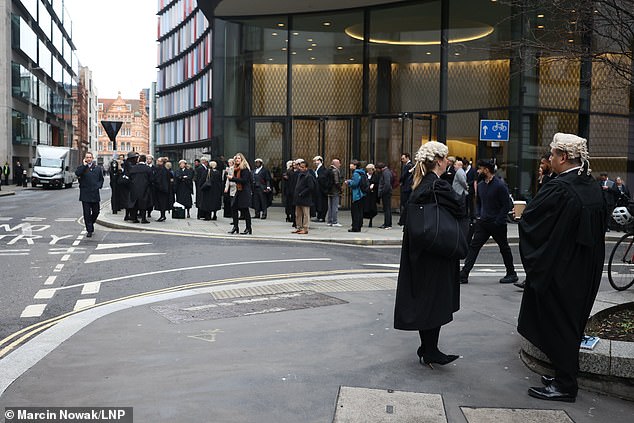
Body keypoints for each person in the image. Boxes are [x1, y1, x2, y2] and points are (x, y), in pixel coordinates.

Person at [518, 133, 606, 403]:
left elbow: (532, 221)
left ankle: (566, 385)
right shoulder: (589, 185)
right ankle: (562, 373)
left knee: (561, 324)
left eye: (553, 154)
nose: (550, 158)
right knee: (571, 323)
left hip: (562, 270)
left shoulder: (561, 189)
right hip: (585, 269)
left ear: (564, 157)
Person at [394, 141, 463, 368]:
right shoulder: (438, 186)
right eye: (446, 159)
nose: (448, 162)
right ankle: (431, 350)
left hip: (420, 253)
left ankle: (427, 348)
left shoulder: (420, 185)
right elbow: (461, 208)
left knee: (426, 301)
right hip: (436, 253)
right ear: (440, 161)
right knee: (436, 301)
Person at [459, 159, 518, 285]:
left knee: (504, 248)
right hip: (484, 222)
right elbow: (479, 202)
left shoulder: (499, 185)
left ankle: (512, 273)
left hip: (497, 224)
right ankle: (464, 274)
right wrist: (479, 215)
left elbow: (506, 205)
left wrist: (499, 220)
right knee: (474, 247)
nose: (478, 171)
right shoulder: (481, 185)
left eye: (480, 169)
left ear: (486, 170)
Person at [75, 152, 104, 238]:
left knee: (96, 211)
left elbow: (101, 179)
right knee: (86, 213)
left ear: (92, 158)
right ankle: (89, 230)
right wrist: (84, 166)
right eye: (87, 157)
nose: (89, 159)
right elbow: (77, 173)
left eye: (90, 157)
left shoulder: (97, 168)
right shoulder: (82, 168)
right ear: (85, 159)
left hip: (95, 194)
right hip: (85, 194)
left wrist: (98, 186)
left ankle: (91, 222)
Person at [226, 153, 253, 235]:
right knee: (233, 207)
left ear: (242, 160)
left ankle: (248, 228)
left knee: (245, 210)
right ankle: (235, 227)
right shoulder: (236, 169)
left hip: (244, 191)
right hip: (239, 191)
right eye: (236, 158)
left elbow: (244, 180)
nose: (237, 160)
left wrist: (232, 178)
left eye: (239, 158)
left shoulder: (245, 169)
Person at [127, 154, 153, 224]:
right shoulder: (148, 168)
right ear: (145, 160)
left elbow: (129, 178)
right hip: (144, 188)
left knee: (134, 203)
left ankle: (134, 218)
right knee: (144, 203)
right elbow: (151, 179)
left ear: (139, 160)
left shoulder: (133, 168)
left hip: (134, 188)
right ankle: (143, 219)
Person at [293, 159, 316, 234]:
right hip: (298, 198)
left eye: (303, 167)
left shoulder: (308, 176)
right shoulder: (300, 175)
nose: (301, 168)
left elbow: (311, 187)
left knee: (306, 214)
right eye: (300, 167)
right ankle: (299, 227)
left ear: (306, 168)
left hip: (305, 198)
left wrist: (302, 193)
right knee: (298, 214)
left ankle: (305, 228)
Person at [344, 159, 367, 232]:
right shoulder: (362, 172)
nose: (350, 165)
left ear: (355, 166)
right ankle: (359, 225)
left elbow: (355, 184)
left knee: (355, 212)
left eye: (352, 164)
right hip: (361, 194)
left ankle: (355, 227)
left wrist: (348, 182)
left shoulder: (356, 173)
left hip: (357, 195)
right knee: (359, 211)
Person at [153, 157, 171, 222]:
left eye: (158, 161)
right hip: (162, 189)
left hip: (161, 189)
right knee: (162, 203)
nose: (157, 162)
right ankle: (162, 215)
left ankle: (162, 216)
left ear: (161, 162)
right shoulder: (163, 169)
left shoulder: (161, 170)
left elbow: (161, 180)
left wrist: (159, 187)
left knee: (162, 203)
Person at [312, 155, 329, 222]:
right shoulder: (318, 168)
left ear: (320, 161)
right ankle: (319, 216)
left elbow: (322, 178)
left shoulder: (322, 169)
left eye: (316, 161)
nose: (315, 162)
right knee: (319, 203)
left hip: (321, 189)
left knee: (322, 203)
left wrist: (317, 177)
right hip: (319, 189)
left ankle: (322, 217)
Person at [398, 153, 414, 225]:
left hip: (406, 187)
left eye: (403, 158)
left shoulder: (408, 166)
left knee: (404, 203)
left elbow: (403, 176)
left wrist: (400, 180)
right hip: (409, 186)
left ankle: (404, 220)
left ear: (407, 158)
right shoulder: (411, 165)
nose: (402, 160)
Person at [376, 162, 393, 229]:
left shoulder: (386, 173)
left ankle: (388, 224)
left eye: (377, 169)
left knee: (387, 209)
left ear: (380, 168)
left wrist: (382, 192)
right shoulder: (386, 172)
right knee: (386, 209)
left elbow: (387, 184)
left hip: (386, 193)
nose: (377, 170)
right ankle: (387, 223)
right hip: (386, 192)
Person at [326, 159, 343, 227]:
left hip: (329, 190)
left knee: (330, 206)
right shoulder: (335, 170)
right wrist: (340, 189)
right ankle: (334, 221)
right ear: (335, 164)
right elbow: (336, 181)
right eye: (339, 163)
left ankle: (329, 220)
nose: (340, 165)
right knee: (335, 207)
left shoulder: (328, 170)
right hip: (335, 190)